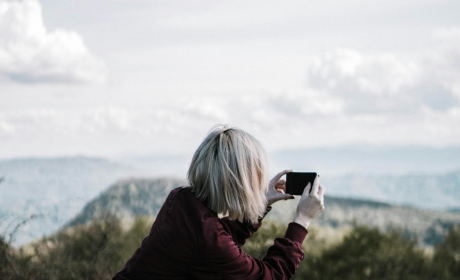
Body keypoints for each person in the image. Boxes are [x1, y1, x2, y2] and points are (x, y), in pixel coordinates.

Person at [113, 125, 325, 280]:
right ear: (241, 183)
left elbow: (216, 243)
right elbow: (268, 276)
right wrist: (302, 220)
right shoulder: (209, 236)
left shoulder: (180, 199)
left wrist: (260, 204)